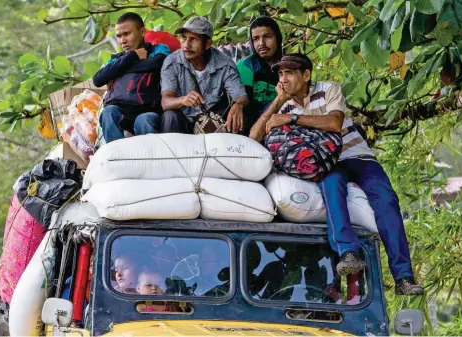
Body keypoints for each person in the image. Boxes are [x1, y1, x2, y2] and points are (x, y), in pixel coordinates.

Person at [250, 54, 424, 295]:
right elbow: (254, 137)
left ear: (306, 75)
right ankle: (348, 253)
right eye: (280, 74)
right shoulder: (284, 105)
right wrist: (278, 102)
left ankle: (404, 277)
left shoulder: (328, 89)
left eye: (289, 73)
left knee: (386, 199)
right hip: (327, 163)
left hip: (357, 156)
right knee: (332, 189)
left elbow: (334, 123)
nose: (284, 78)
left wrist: (291, 118)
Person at [160, 16, 249, 134]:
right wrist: (183, 100)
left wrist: (238, 104)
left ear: (207, 44)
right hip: (184, 123)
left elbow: (242, 97)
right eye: (184, 38)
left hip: (215, 122)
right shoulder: (172, 62)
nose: (186, 45)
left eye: (193, 39)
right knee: (170, 116)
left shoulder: (224, 64)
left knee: (245, 112)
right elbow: (165, 102)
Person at [92, 12, 170, 143]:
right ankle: (118, 160)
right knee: (108, 112)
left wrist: (119, 69)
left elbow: (157, 64)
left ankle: (151, 161)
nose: (122, 40)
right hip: (121, 112)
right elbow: (98, 79)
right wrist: (132, 56)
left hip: (149, 111)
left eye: (127, 34)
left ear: (142, 32)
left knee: (143, 121)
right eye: (119, 36)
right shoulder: (117, 59)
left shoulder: (159, 50)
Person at [237, 16, 283, 135]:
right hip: (253, 126)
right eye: (256, 39)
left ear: (278, 38)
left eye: (267, 37)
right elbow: (245, 104)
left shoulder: (289, 65)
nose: (261, 43)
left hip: (284, 120)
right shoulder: (246, 65)